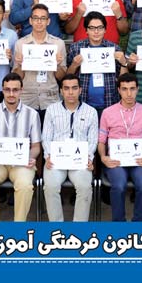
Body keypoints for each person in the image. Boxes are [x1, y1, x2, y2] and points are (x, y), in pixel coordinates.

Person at [0, 73, 42, 222]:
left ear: (21, 90)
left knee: (25, 185)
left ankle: (18, 227)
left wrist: (31, 157)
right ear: (2, 90)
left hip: (21, 163)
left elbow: (36, 146)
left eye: (15, 90)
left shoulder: (32, 114)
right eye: (7, 89)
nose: (11, 94)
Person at [98, 73, 142, 221]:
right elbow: (101, 140)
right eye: (124, 89)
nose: (129, 94)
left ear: (138, 89)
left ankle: (138, 224)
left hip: (138, 160)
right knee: (119, 185)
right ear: (118, 90)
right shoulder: (108, 112)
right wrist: (103, 157)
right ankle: (119, 225)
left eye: (132, 89)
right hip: (116, 160)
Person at [41, 74, 98, 221]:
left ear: (80, 90)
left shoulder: (91, 112)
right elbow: (46, 137)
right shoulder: (51, 110)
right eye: (66, 88)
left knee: (85, 187)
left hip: (80, 161)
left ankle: (78, 228)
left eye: (74, 88)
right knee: (51, 186)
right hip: (56, 160)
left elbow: (93, 140)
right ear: (61, 91)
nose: (70, 92)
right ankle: (57, 227)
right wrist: (48, 156)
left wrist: (89, 157)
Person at [12, 3, 67, 122]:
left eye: (43, 18)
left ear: (48, 21)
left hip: (50, 99)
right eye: (36, 18)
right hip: (27, 99)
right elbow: (17, 78)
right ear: (30, 21)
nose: (39, 22)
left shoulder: (58, 44)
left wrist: (57, 64)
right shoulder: (21, 44)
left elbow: (61, 77)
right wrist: (20, 64)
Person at [66, 11, 127, 109]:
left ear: (105, 30)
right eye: (92, 28)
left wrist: (124, 63)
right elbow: (67, 77)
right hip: (83, 104)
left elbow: (124, 80)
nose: (96, 31)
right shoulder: (76, 48)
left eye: (100, 27)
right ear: (86, 30)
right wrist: (74, 65)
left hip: (110, 103)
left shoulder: (114, 49)